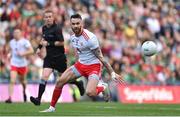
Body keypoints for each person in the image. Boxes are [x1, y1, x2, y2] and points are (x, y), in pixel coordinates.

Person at [40, 13, 124, 112]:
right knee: (59, 82)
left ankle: (102, 87)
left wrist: (112, 73)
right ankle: (52, 108)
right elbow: (78, 52)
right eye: (73, 24)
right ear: (70, 25)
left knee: (90, 93)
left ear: (82, 24)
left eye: (77, 23)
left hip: (94, 67)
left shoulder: (90, 38)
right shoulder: (73, 37)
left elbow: (101, 57)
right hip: (80, 65)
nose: (75, 26)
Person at [30, 10, 85, 106]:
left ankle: (78, 84)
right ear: (44, 18)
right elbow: (43, 39)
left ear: (53, 17)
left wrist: (49, 43)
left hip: (59, 58)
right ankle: (38, 99)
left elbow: (61, 43)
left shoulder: (57, 29)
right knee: (44, 77)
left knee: (64, 79)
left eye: (50, 17)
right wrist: (39, 48)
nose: (48, 19)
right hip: (49, 58)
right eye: (46, 17)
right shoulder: (44, 28)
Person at [5, 29, 34, 103]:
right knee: (12, 80)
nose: (15, 34)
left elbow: (31, 50)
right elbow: (11, 50)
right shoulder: (11, 42)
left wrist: (23, 53)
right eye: (14, 32)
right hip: (14, 63)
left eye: (17, 32)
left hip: (22, 64)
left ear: (20, 34)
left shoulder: (25, 41)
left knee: (23, 82)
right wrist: (9, 55)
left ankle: (24, 92)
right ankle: (10, 98)